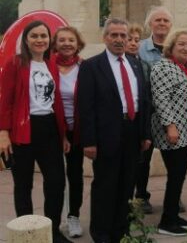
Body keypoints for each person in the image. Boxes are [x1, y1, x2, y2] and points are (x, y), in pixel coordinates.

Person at [78, 18, 151, 243]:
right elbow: (86, 107)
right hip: (105, 134)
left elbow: (143, 101)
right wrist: (88, 141)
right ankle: (101, 234)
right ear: (105, 38)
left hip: (132, 132)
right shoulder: (91, 66)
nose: (119, 40)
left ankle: (121, 231)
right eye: (114, 35)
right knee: (104, 186)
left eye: (123, 36)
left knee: (126, 184)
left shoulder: (135, 63)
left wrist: (145, 134)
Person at [0, 20, 73, 243]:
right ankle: (27, 232)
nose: (40, 40)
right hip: (23, 129)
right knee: (23, 184)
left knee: (56, 182)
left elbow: (56, 101)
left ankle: (53, 231)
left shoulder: (51, 64)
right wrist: (3, 133)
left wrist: (63, 134)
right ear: (26, 39)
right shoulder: (15, 63)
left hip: (49, 128)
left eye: (43, 36)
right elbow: (5, 99)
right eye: (34, 36)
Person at [150, 30, 187, 236]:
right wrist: (170, 126)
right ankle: (166, 222)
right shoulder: (163, 66)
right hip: (173, 132)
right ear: (171, 46)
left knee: (179, 175)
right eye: (181, 44)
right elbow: (161, 98)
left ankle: (173, 215)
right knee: (175, 175)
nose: (186, 48)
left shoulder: (185, 68)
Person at [136, 6, 173, 214]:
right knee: (143, 158)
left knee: (174, 160)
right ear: (150, 24)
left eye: (166, 21)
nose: (161, 24)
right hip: (149, 114)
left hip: (172, 115)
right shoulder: (140, 48)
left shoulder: (178, 48)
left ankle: (172, 197)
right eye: (157, 20)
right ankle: (141, 197)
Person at [51, 26, 86, 238]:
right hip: (53, 129)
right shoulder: (47, 66)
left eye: (71, 40)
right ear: (55, 43)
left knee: (75, 175)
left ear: (78, 43)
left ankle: (73, 216)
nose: (66, 44)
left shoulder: (85, 67)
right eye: (62, 40)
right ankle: (54, 219)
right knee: (55, 177)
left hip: (78, 130)